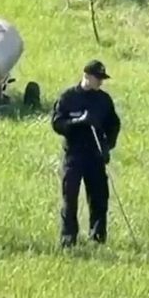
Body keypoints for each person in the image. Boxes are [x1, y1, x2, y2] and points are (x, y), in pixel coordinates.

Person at [51, 60, 121, 246]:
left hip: (95, 155)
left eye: (102, 79)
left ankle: (97, 237)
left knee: (99, 197)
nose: (100, 82)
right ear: (86, 76)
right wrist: (77, 122)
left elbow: (114, 125)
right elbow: (57, 123)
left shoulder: (104, 100)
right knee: (70, 196)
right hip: (74, 155)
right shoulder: (68, 97)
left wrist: (108, 146)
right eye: (98, 78)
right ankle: (68, 238)